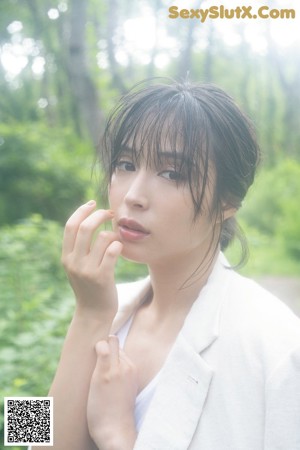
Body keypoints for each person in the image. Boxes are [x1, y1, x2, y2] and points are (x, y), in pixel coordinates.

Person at [36, 80, 300, 450]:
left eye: (172, 173)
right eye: (125, 164)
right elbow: (27, 437)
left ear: (228, 202)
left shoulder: (280, 346)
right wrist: (89, 314)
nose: (133, 195)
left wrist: (119, 437)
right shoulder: (103, 304)